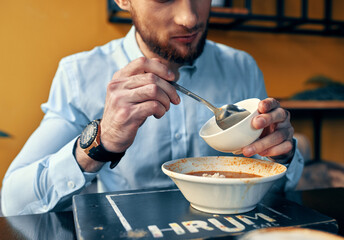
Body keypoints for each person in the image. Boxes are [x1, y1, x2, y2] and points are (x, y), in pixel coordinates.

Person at [1, 0, 304, 216]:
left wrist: (283, 154)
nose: (190, 18)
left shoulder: (241, 67)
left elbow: (273, 185)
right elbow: (13, 202)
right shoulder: (80, 75)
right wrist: (101, 142)